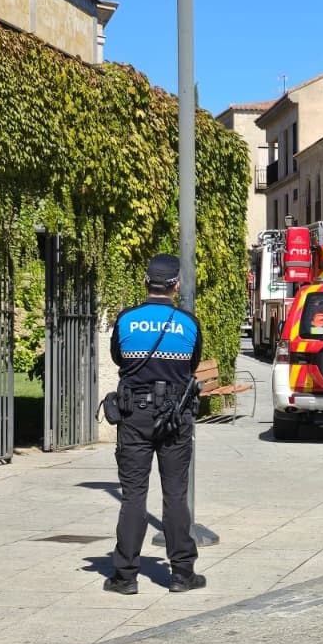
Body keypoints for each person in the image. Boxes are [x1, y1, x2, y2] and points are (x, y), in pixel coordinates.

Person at [104, 254, 206, 595]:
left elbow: (119, 358)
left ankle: (125, 577)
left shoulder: (127, 320)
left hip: (134, 416)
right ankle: (181, 574)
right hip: (175, 416)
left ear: (145, 281)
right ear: (176, 285)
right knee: (175, 494)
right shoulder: (188, 323)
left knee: (133, 495)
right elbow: (191, 365)